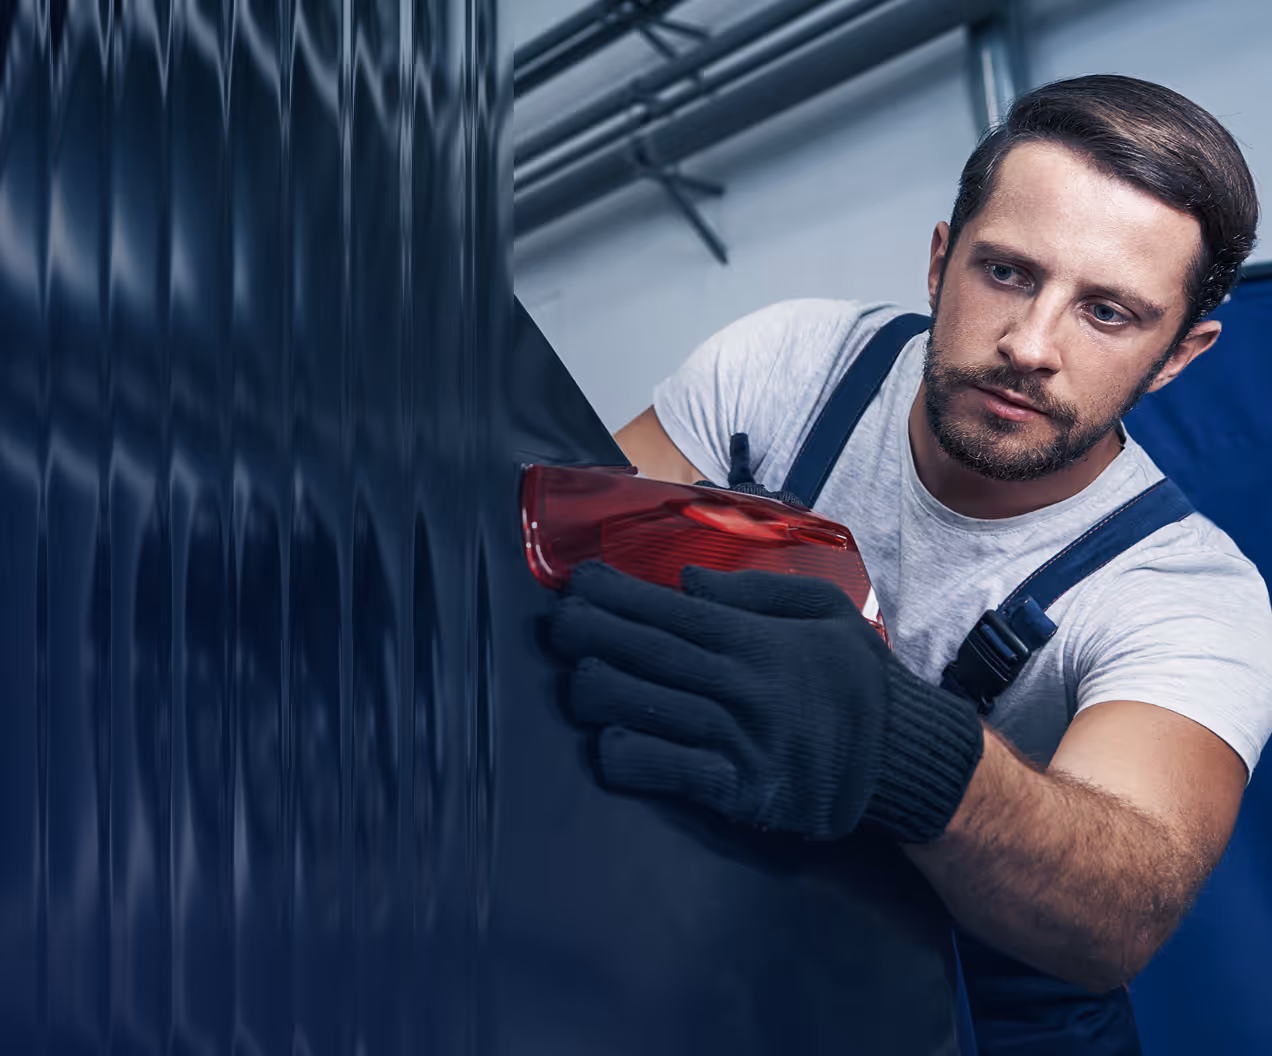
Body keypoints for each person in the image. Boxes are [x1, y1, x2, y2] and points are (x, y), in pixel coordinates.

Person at [547, 75, 1272, 1053]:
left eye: (1107, 313)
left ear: (1178, 356)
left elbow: (1118, 913)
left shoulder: (1190, 595)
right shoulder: (795, 368)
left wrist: (898, 750)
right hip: (714, 951)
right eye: (1006, 272)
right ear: (940, 262)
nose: (1029, 346)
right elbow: (564, 575)